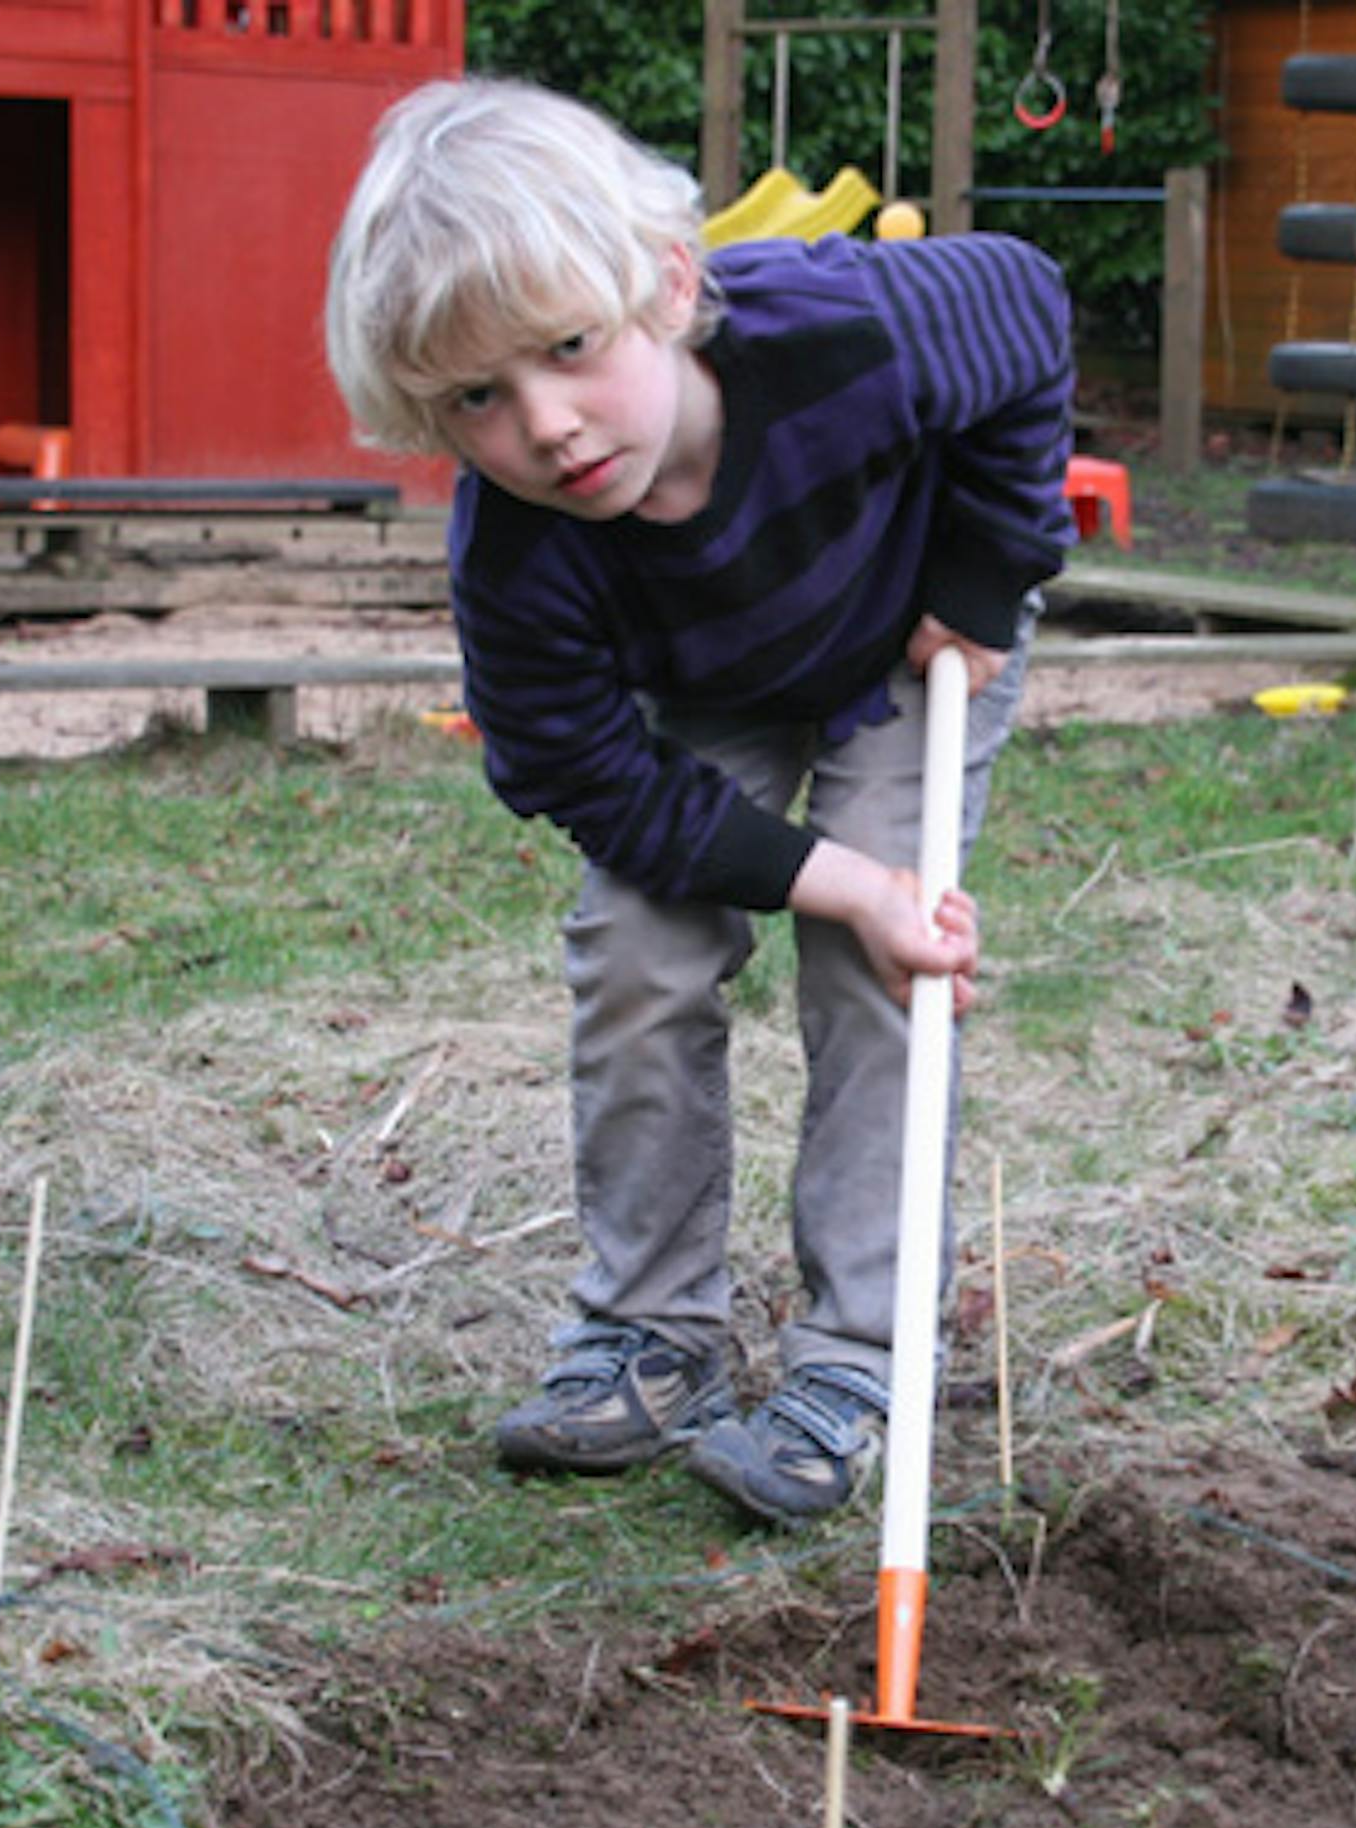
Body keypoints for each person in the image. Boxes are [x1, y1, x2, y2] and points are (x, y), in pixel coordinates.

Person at [326, 76, 1075, 1523]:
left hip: (910, 630)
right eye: (477, 395)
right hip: (706, 689)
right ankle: (647, 1338)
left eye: (567, 348)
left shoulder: (848, 328)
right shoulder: (519, 557)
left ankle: (861, 1358)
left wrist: (982, 582)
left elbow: (1031, 316)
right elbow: (578, 771)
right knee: (637, 956)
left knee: (885, 962)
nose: (544, 424)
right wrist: (825, 876)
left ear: (667, 285)